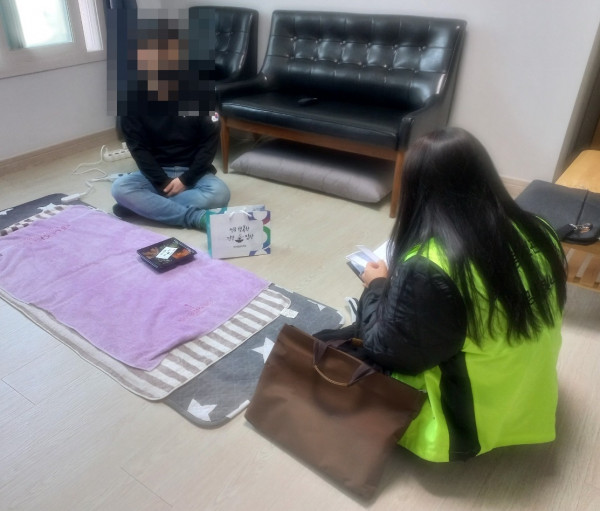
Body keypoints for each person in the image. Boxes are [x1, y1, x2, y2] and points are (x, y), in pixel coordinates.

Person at [318, 127, 567, 463]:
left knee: (328, 344)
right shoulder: (539, 229)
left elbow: (390, 352)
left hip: (468, 425)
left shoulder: (430, 266)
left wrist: (376, 286)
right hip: (529, 398)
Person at [111, 17, 229, 229]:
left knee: (220, 194)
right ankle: (194, 218)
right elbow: (138, 148)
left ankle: (142, 208)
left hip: (194, 171)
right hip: (155, 171)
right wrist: (161, 181)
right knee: (120, 188)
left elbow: (209, 144)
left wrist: (186, 179)